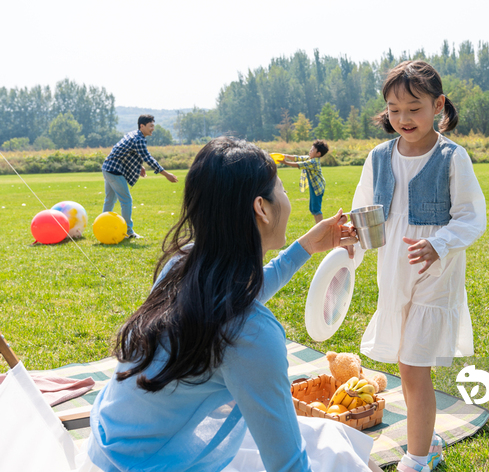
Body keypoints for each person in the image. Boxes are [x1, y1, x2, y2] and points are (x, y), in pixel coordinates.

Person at [79, 137, 382, 472]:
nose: (286, 198)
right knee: (338, 454)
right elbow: (288, 466)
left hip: (110, 452)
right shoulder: (251, 334)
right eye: (281, 189)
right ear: (261, 208)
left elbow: (235, 300)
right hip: (149, 464)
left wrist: (306, 246)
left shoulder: (183, 262)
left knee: (331, 437)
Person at [350, 61, 486, 472]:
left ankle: (417, 457)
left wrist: (438, 244)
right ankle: (428, 440)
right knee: (407, 365)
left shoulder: (452, 157)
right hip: (394, 270)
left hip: (435, 272)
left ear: (438, 105)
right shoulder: (378, 157)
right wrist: (348, 246)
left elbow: (471, 217)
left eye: (414, 107)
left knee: (412, 364)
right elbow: (364, 213)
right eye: (394, 109)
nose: (403, 118)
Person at [101, 114, 178, 239]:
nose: (153, 128)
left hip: (107, 168)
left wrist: (139, 166)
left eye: (153, 126)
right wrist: (166, 174)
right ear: (142, 126)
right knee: (126, 200)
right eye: (150, 126)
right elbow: (148, 158)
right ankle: (129, 232)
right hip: (114, 171)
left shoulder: (133, 134)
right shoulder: (139, 139)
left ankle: (103, 227)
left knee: (110, 200)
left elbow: (125, 151)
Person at [282, 140, 329, 224]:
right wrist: (285, 156)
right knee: (312, 208)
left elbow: (299, 164)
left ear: (318, 154)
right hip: (313, 187)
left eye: (312, 150)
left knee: (316, 209)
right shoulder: (310, 158)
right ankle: (318, 227)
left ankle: (322, 229)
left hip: (317, 188)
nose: (310, 151)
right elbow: (297, 158)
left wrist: (285, 162)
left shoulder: (313, 162)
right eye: (310, 149)